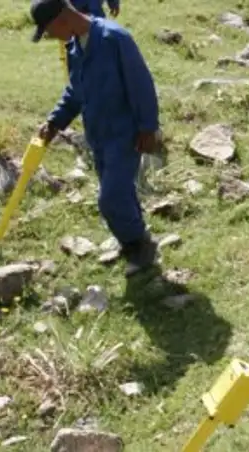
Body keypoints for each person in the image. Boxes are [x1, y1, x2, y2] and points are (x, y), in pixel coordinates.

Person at [29, 0, 161, 278]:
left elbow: (141, 84)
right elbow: (75, 93)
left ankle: (140, 246)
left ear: (62, 18)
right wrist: (54, 122)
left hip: (125, 133)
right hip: (98, 135)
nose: (52, 37)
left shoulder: (114, 39)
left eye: (50, 31)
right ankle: (132, 240)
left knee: (110, 197)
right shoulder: (75, 47)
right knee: (121, 191)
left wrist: (148, 128)